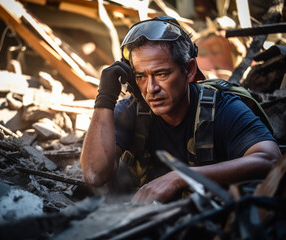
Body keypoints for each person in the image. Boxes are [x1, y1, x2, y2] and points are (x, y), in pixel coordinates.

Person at [80, 16, 281, 203]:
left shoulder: (221, 107)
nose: (151, 89)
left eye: (161, 74)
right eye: (140, 76)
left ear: (190, 70)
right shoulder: (132, 111)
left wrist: (180, 177)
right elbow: (94, 175)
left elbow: (270, 159)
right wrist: (105, 98)